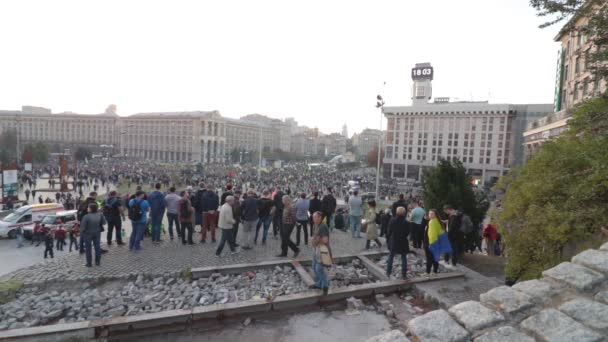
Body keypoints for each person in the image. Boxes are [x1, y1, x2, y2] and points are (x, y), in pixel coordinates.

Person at [424, 209, 452, 277]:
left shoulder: (432, 222)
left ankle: (428, 272)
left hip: (430, 242)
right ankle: (435, 272)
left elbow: (432, 234)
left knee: (429, 258)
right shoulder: (437, 221)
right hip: (436, 242)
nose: (430, 215)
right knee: (434, 257)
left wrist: (431, 244)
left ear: (435, 215)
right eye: (429, 213)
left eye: (432, 214)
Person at [386, 207, 410, 279]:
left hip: (394, 241)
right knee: (404, 258)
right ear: (404, 213)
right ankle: (404, 275)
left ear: (396, 212)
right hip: (403, 241)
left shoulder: (392, 220)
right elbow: (407, 233)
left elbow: (389, 232)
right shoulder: (406, 222)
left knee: (391, 256)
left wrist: (388, 240)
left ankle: (388, 272)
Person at [311, 211, 331, 295]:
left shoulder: (323, 226)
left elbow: (325, 240)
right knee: (314, 267)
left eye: (315, 217)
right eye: (313, 217)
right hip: (316, 248)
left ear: (319, 217)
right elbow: (315, 236)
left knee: (319, 269)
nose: (313, 219)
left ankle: (325, 286)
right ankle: (319, 284)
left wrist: (315, 240)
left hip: (322, 250)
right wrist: (314, 240)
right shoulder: (316, 225)